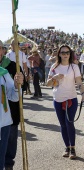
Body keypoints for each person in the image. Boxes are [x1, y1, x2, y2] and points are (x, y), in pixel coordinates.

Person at [47, 44, 84, 159]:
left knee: (69, 122)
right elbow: (48, 83)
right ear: (59, 54)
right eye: (63, 52)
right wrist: (55, 78)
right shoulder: (54, 66)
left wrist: (83, 93)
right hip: (58, 99)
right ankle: (67, 147)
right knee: (63, 124)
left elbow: (79, 82)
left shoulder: (74, 67)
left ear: (70, 54)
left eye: (67, 52)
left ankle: (73, 149)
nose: (65, 54)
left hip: (71, 98)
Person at [0, 40, 23, 170]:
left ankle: (9, 165)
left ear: (3, 50)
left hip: (6, 117)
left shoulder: (6, 70)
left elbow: (15, 94)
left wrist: (17, 84)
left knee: (7, 148)